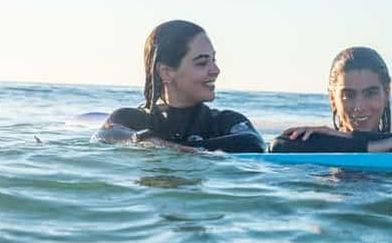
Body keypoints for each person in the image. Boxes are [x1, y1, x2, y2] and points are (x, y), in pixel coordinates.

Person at [94, 20, 265, 153]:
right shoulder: (130, 120)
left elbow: (253, 143)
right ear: (166, 72)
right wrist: (142, 140)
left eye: (214, 60)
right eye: (202, 63)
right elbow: (103, 136)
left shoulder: (225, 123)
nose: (216, 71)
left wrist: (169, 147)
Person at [270, 47, 392, 152]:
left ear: (387, 92)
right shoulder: (313, 144)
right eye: (348, 95)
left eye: (370, 93)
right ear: (332, 99)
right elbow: (278, 146)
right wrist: (372, 146)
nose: (359, 107)